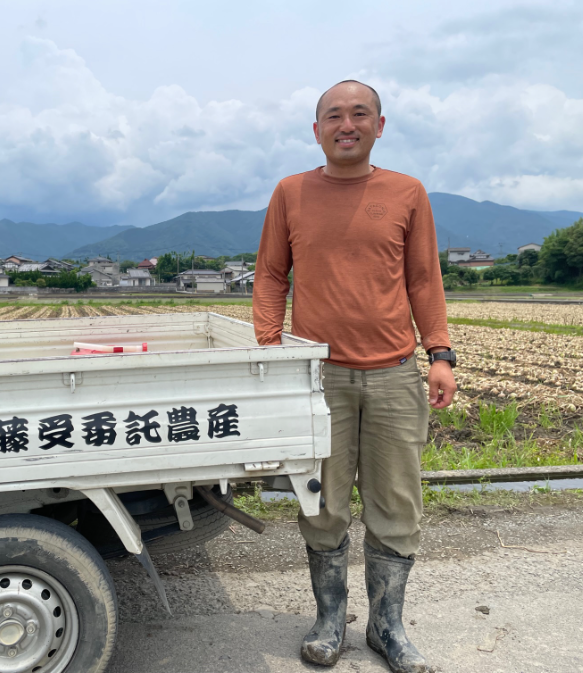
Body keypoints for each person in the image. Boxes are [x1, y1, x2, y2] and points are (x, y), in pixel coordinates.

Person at [253, 80, 457, 673]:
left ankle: (387, 627)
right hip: (319, 377)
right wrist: (271, 348)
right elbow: (270, 276)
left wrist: (440, 353)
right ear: (316, 129)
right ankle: (328, 620)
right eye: (334, 116)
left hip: (395, 374)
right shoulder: (291, 193)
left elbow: (424, 280)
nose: (347, 124)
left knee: (397, 501)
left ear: (380, 125)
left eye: (359, 114)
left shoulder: (406, 192)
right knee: (323, 502)